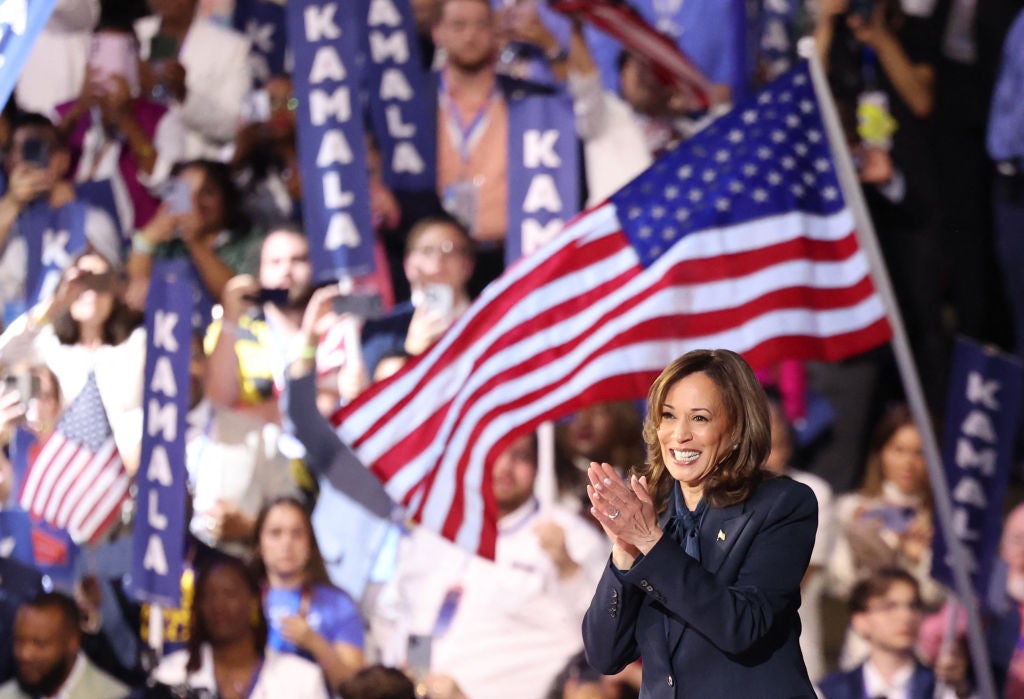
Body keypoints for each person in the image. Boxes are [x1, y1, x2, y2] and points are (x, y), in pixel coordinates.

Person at [582, 348, 818, 697]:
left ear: (737, 427)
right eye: (668, 416)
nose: (679, 435)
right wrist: (624, 551)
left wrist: (650, 542)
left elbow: (742, 626)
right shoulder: (653, 511)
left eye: (700, 418)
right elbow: (605, 655)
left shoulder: (781, 505)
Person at [371, 430, 609, 699]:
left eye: (520, 456)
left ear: (538, 464)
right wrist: (411, 673)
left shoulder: (570, 536)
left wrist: (567, 568)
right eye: (496, 453)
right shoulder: (436, 529)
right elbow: (407, 615)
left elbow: (605, 634)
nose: (505, 466)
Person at [0, 252, 145, 476]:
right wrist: (56, 304)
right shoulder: (52, 349)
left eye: (100, 282)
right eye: (82, 282)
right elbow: (5, 355)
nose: (91, 292)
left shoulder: (135, 346)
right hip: (67, 473)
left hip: (121, 473)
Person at [826, 403, 945, 667]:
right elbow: (839, 583)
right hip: (865, 650)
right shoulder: (852, 508)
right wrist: (862, 541)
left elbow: (935, 595)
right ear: (881, 453)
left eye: (919, 452)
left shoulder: (944, 521)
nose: (908, 462)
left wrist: (919, 556)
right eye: (898, 450)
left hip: (923, 653)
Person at [150, 556, 329, 698]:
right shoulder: (171, 675)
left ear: (253, 601)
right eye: (208, 596)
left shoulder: (303, 679)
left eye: (229, 594)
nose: (218, 606)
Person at [253, 496, 365, 690]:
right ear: (259, 542)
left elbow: (355, 688)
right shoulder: (242, 598)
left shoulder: (339, 604)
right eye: (275, 533)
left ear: (310, 543)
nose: (286, 543)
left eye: (297, 534)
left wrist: (317, 645)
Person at [763, 393, 836, 684]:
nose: (766, 458)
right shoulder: (715, 500)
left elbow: (799, 574)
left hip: (795, 648)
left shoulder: (813, 492)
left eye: (776, 446)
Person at [817, 568, 972, 699]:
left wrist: (961, 690)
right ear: (860, 621)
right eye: (889, 607)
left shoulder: (942, 690)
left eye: (913, 606)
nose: (906, 617)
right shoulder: (829, 692)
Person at [0, 591, 129, 699]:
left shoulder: (114, 695)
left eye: (39, 644)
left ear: (73, 642)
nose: (25, 654)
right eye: (19, 640)